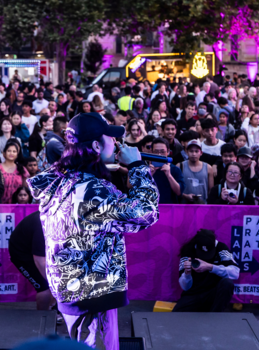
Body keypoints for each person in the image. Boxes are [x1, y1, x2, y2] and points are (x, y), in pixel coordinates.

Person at [27, 112, 159, 349]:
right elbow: (146, 213)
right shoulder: (91, 191)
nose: (118, 143)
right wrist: (138, 167)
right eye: (111, 138)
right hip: (92, 295)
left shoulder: (63, 180)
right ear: (96, 145)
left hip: (80, 290)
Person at [174, 229, 238, 313]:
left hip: (213, 294)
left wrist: (210, 267)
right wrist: (187, 274)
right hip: (194, 294)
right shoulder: (188, 250)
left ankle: (215, 317)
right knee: (175, 316)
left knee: (227, 283)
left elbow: (235, 273)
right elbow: (185, 287)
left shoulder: (221, 248)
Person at [9, 211, 53, 310]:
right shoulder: (44, 223)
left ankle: (53, 310)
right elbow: (39, 259)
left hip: (40, 250)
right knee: (45, 288)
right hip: (22, 254)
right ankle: (42, 316)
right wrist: (52, 283)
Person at [150, 138, 184, 204]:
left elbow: (179, 192)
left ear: (168, 152)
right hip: (150, 210)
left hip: (169, 209)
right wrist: (148, 175)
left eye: (162, 152)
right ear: (151, 152)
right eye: (156, 152)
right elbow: (137, 190)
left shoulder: (175, 169)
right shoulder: (146, 169)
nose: (159, 155)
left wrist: (169, 175)